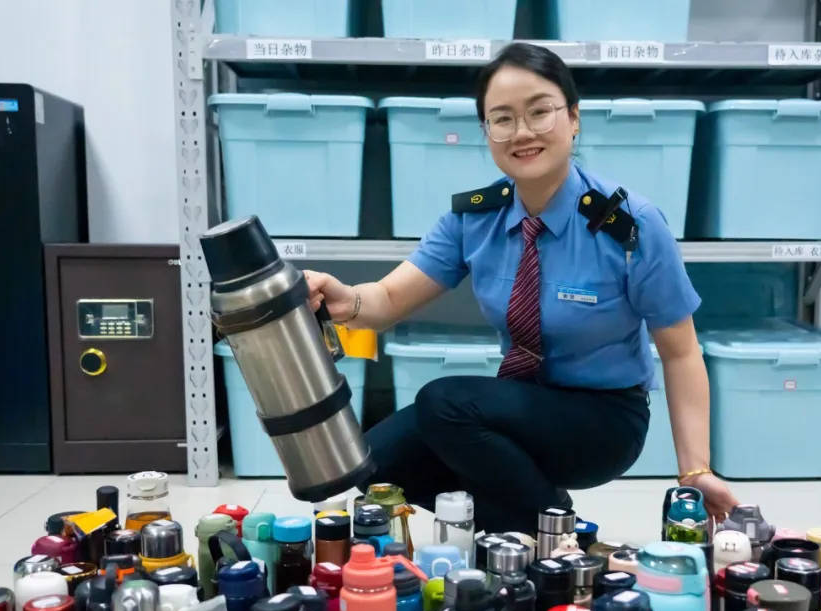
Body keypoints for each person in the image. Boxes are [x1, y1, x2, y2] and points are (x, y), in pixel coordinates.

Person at [305, 42, 738, 534]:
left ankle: (551, 534)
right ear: (486, 131)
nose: (523, 132)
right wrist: (344, 299)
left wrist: (695, 471)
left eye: (540, 112)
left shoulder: (630, 225)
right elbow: (387, 300)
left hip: (605, 419)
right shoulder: (475, 218)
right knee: (370, 461)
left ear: (573, 118)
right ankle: (536, 520)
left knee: (444, 403)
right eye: (503, 118)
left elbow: (681, 353)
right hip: (523, 404)